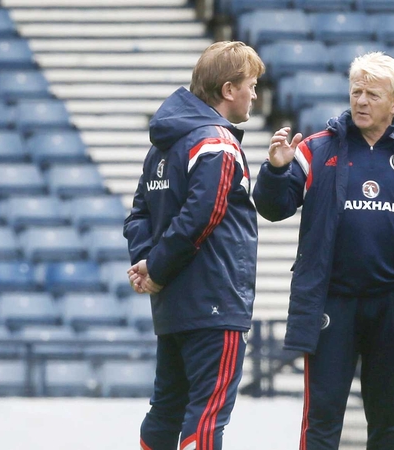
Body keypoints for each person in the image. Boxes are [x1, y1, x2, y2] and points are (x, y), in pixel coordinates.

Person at [252, 52, 394, 449]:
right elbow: (273, 208)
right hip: (333, 299)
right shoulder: (315, 149)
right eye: (356, 92)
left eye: (372, 94)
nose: (361, 101)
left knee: (388, 420)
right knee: (321, 417)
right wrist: (276, 170)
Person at [123, 41, 263, 450]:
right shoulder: (216, 142)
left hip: (173, 303)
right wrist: (158, 268)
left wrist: (148, 265)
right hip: (216, 300)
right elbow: (205, 214)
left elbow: (137, 215)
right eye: (250, 85)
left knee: (165, 410)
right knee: (207, 415)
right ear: (227, 89)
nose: (255, 94)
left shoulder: (163, 144)